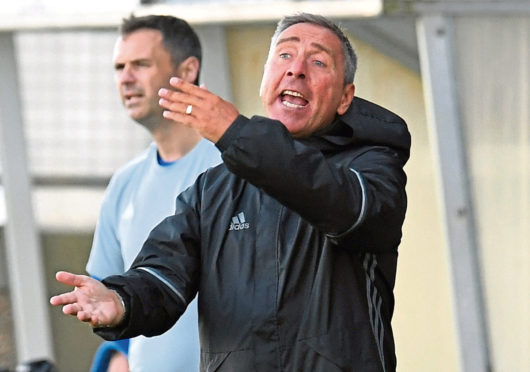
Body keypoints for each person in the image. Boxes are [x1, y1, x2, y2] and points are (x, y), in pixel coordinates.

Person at [51, 13, 411, 372]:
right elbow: (164, 275)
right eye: (284, 56)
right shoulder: (214, 187)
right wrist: (121, 301)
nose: (296, 70)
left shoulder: (371, 169)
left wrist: (236, 133)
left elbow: (343, 205)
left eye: (318, 61)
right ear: (265, 79)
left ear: (345, 97)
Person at [84, 14, 221, 372]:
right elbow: (111, 298)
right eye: (119, 67)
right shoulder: (124, 184)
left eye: (141, 64)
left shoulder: (237, 169)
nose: (126, 78)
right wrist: (117, 357)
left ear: (188, 70)